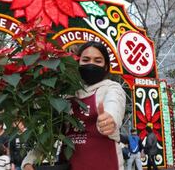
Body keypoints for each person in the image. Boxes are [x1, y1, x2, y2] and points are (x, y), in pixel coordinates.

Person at [22, 41, 126, 170]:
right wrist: (29, 161)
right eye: (86, 60)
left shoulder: (111, 88)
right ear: (78, 63)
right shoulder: (67, 96)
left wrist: (110, 119)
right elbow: (50, 135)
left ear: (106, 67)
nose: (91, 64)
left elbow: (114, 104)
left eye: (98, 61)